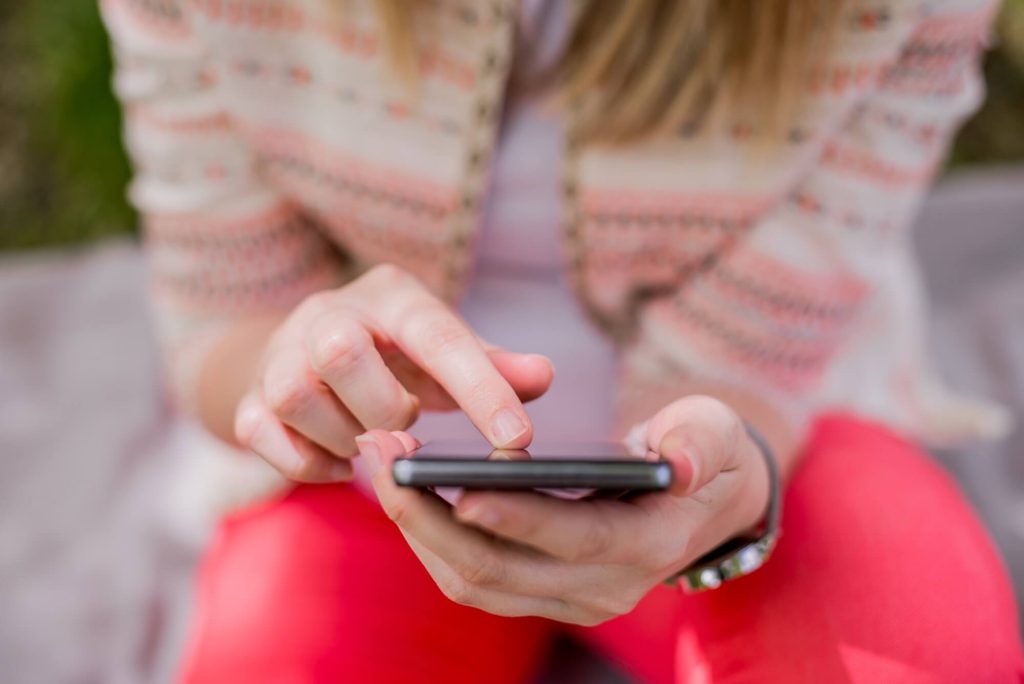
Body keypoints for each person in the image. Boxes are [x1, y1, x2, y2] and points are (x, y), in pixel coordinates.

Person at [100, 0, 1024, 681]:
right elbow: (221, 317)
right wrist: (293, 371)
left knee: (928, 657)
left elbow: (762, 348)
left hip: (765, 428)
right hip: (365, 481)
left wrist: (722, 485)